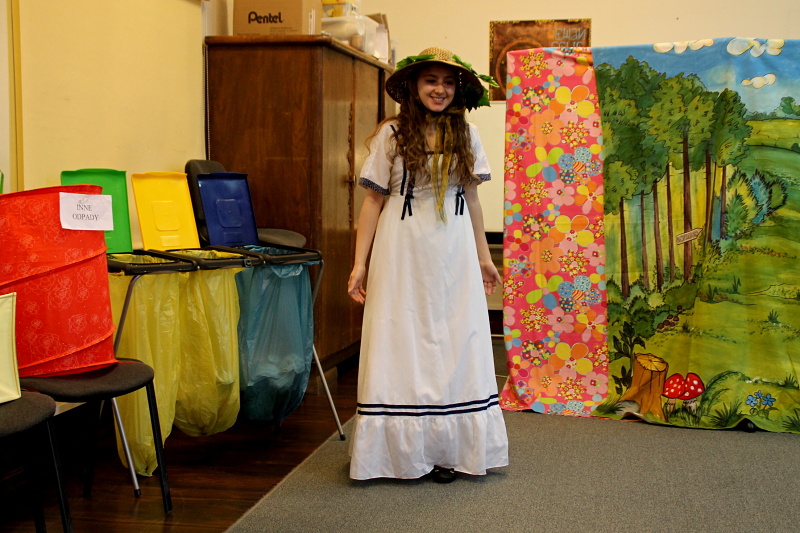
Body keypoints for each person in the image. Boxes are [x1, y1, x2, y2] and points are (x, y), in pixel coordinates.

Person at [346, 46, 509, 483]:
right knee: (402, 336)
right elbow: (373, 200)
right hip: (401, 250)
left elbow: (472, 199)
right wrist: (360, 263)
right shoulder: (393, 134)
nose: (440, 89)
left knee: (455, 339)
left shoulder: (467, 135)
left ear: (458, 90)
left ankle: (447, 449)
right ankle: (400, 453)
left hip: (453, 251)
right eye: (431, 80)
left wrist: (484, 258)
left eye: (448, 82)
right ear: (414, 87)